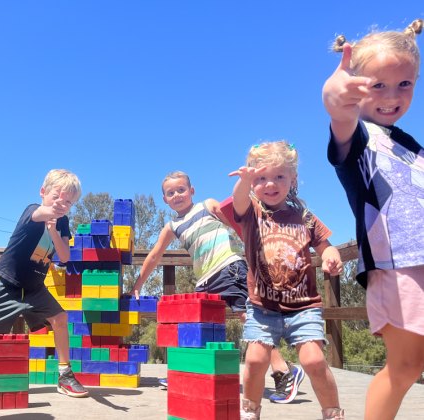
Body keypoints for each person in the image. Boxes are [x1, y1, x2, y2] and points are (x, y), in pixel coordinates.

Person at [322, 19, 424, 420]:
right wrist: (335, 100)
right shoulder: (359, 138)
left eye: (405, 84)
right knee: (405, 367)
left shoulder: (411, 146)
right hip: (395, 267)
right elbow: (340, 120)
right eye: (377, 85)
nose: (392, 96)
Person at [131, 171, 305, 402]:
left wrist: (262, 251)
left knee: (248, 318)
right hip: (205, 280)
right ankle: (192, 373)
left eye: (181, 190)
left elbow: (240, 224)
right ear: (165, 199)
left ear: (192, 191)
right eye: (170, 193)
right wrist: (137, 285)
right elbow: (154, 256)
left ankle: (284, 371)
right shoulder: (173, 226)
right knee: (197, 326)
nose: (177, 195)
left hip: (229, 267)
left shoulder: (207, 205)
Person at [229, 141, 344, 420]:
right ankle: (250, 410)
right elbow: (238, 202)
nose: (270, 184)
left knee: (313, 360)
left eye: (279, 176)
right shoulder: (252, 215)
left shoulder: (304, 217)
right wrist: (244, 182)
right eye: (261, 178)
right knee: (256, 360)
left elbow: (325, 245)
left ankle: (332, 412)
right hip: (262, 306)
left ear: (292, 179)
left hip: (304, 307)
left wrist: (331, 255)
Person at [0, 169, 89, 398]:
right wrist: (50, 212)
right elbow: (39, 214)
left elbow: (65, 256)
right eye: (56, 196)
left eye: (68, 201)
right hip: (6, 285)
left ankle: (65, 375)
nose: (61, 203)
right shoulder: (32, 210)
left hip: (35, 288)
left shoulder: (63, 222)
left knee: (60, 318)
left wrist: (54, 231)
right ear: (42, 191)